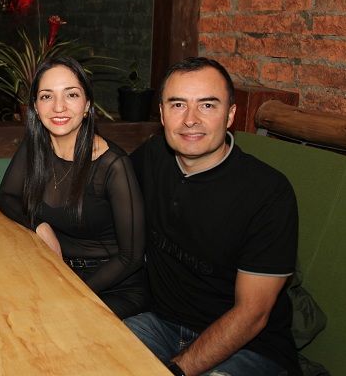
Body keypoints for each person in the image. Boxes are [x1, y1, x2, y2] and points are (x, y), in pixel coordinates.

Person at [124, 57, 300, 376]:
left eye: (207, 105)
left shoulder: (268, 192)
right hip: (161, 324)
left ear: (230, 115)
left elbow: (252, 314)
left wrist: (178, 371)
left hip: (251, 347)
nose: (191, 119)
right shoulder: (152, 158)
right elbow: (98, 198)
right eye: (178, 104)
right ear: (162, 114)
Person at [0, 56, 148, 318]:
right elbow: (6, 196)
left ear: (87, 104)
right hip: (59, 270)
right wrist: (39, 225)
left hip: (112, 285)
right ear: (34, 105)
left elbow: (131, 257)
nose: (58, 107)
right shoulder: (36, 146)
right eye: (46, 96)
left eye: (71, 95)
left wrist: (75, 291)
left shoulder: (112, 165)